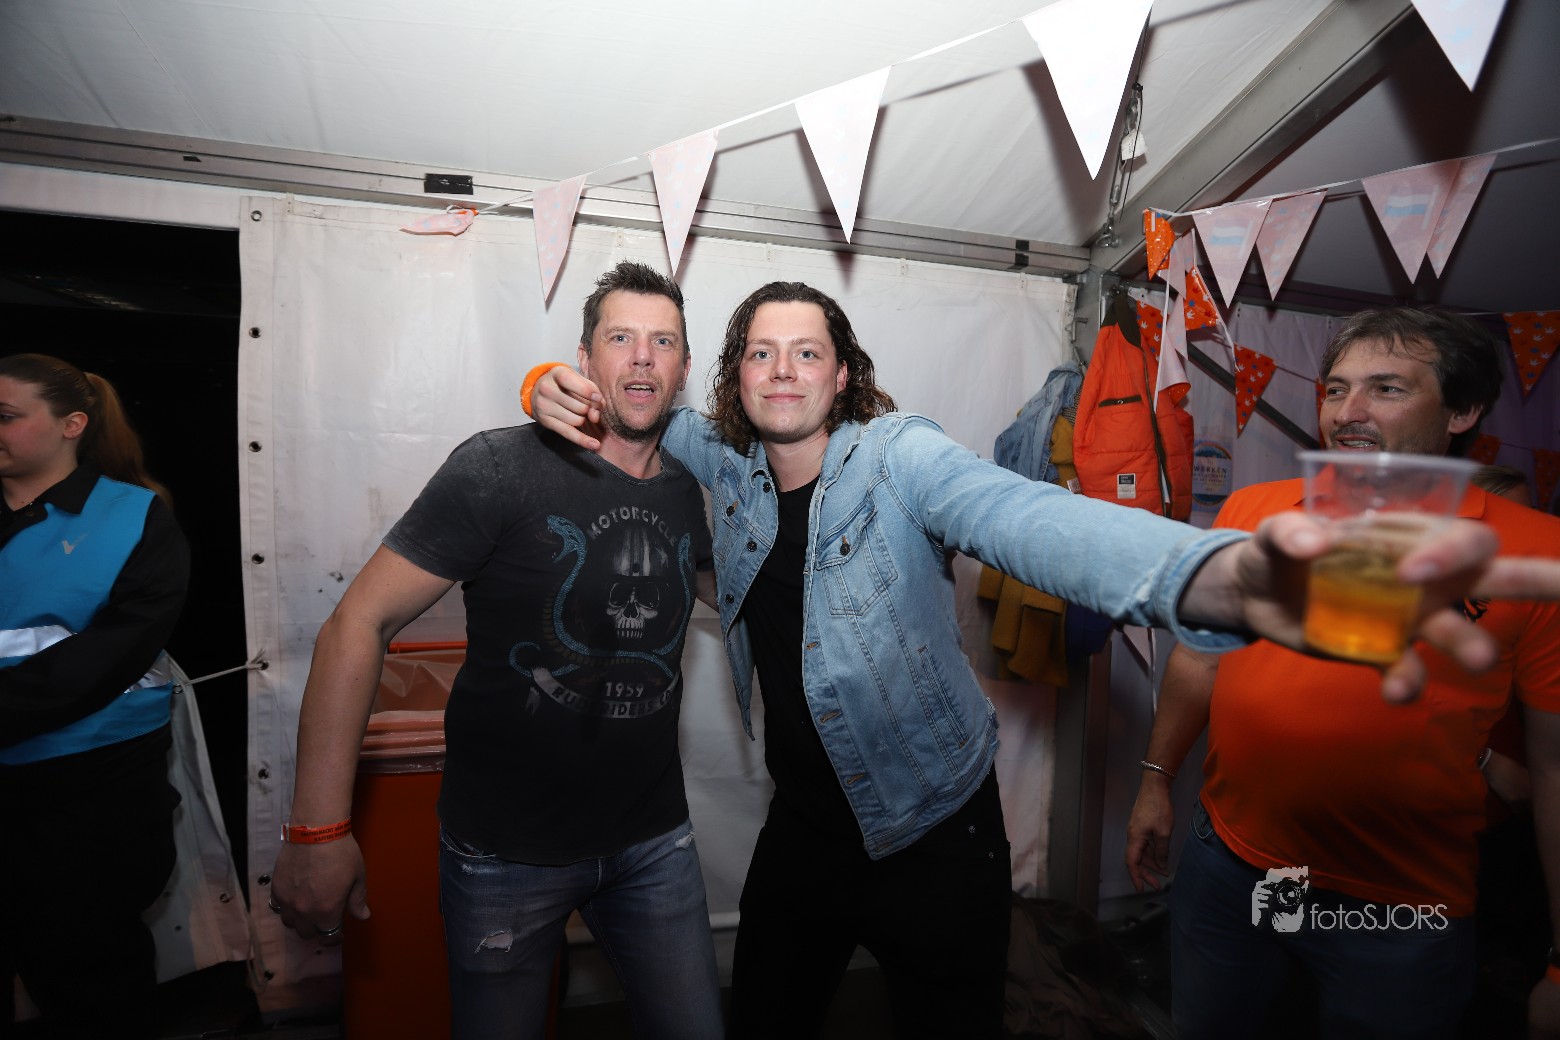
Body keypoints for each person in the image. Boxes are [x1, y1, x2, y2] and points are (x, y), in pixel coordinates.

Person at [525, 285, 1542, 1039]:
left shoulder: (900, 455)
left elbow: (1027, 518)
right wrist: (544, 384)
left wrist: (1216, 576)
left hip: (934, 829)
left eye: (807, 351)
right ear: (737, 379)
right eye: (760, 352)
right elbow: (631, 404)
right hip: (805, 828)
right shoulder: (729, 460)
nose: (782, 368)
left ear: (842, 375)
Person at [270, 262, 723, 1040]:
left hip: (654, 842)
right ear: (584, 358)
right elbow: (357, 624)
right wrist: (317, 830)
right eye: (621, 337)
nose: (643, 357)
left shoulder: (688, 490)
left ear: (683, 368)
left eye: (663, 341)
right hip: (505, 854)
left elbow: (730, 589)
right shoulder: (499, 468)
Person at [1122, 307, 1560, 1040]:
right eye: (1335, 389)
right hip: (1230, 867)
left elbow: (1553, 766)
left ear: (1462, 411)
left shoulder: (1538, 552)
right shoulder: (1255, 511)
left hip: (1399, 908)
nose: (1348, 411)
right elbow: (1201, 657)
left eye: (1386, 388)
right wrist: (1155, 781)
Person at [0, 354, 190, 1040]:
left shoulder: (132, 516)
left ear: (72, 425)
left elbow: (113, 651)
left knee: (89, 975)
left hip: (91, 786)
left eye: (5, 416)